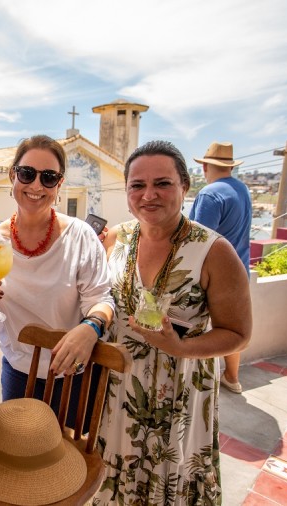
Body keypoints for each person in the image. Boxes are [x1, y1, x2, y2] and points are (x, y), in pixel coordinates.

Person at [96, 140, 251, 505]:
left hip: (180, 395)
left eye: (162, 183)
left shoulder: (214, 252)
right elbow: (98, 299)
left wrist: (181, 347)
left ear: (185, 187)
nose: (149, 194)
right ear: (127, 191)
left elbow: (239, 334)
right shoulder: (116, 239)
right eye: (138, 185)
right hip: (119, 392)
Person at [0, 134, 114, 430]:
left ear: (59, 186)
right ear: (13, 177)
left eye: (48, 178)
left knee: (67, 467)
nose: (36, 186)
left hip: (74, 374)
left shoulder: (80, 236)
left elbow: (102, 299)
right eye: (27, 174)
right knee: (19, 460)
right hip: (19, 372)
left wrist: (92, 326)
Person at [189, 141, 252, 394]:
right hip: (240, 270)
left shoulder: (209, 194)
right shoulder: (242, 189)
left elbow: (196, 240)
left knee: (203, 330)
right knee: (230, 328)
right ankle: (232, 377)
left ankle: (196, 387)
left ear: (204, 166)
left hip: (212, 276)